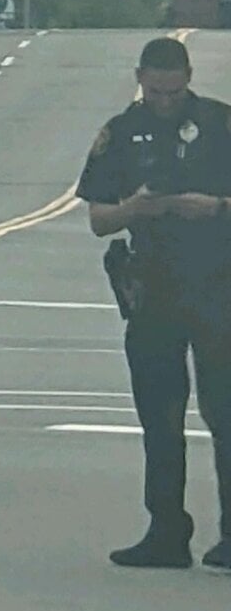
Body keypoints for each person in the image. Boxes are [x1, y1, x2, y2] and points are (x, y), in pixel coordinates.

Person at [78, 35, 231, 569]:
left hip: (219, 284)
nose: (166, 99)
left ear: (188, 76)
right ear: (139, 77)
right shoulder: (120, 133)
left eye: (175, 89)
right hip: (154, 288)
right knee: (160, 416)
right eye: (156, 90)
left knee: (226, 411)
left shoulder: (221, 123)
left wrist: (216, 207)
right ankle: (166, 530)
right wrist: (137, 208)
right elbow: (99, 219)